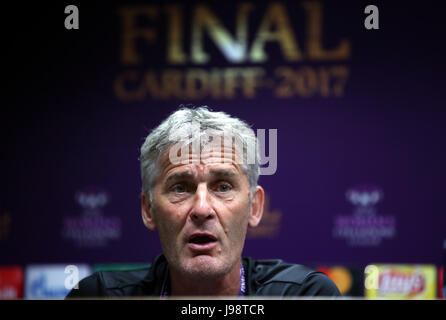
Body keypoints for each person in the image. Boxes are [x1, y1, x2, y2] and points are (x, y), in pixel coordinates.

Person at [66, 106, 340, 297]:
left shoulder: (305, 296)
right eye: (180, 188)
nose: (201, 209)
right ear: (148, 209)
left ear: (254, 207)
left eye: (222, 186)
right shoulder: (99, 296)